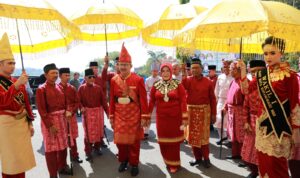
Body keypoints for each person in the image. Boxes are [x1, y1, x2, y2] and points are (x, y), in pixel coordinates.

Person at [239, 36, 300, 178]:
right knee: (264, 163)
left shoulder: (290, 76)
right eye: (265, 53)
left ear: (281, 54)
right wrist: (243, 71)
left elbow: (295, 105)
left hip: (280, 128)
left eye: (272, 53)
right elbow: (246, 90)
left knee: (277, 166)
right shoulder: (262, 75)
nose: (268, 57)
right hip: (263, 127)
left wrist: (296, 131)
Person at [109, 43, 150, 177]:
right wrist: (111, 116)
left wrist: (144, 116)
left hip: (134, 115)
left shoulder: (138, 80)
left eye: (125, 65)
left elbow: (143, 99)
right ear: (118, 66)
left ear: (130, 66)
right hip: (119, 115)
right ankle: (123, 161)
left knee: (133, 142)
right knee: (121, 142)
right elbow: (111, 99)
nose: (123, 67)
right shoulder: (114, 80)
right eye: (121, 64)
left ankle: (134, 163)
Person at [0, 33, 36, 178]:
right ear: (0, 64)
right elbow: (2, 101)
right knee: (11, 162)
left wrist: (30, 123)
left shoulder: (17, 80)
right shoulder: (16, 82)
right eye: (9, 63)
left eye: (14, 63)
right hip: (7, 125)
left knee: (21, 162)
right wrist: (16, 85)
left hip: (22, 124)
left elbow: (26, 103)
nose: (13, 66)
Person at [148, 63, 187, 173]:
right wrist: (146, 115)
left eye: (167, 71)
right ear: (160, 72)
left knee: (173, 143)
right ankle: (167, 161)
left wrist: (184, 116)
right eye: (163, 71)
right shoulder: (156, 85)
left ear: (171, 72)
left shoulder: (177, 84)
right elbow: (151, 100)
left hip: (175, 118)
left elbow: (183, 100)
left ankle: (174, 163)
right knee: (163, 142)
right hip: (161, 118)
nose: (165, 73)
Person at [36, 63, 72, 178]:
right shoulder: (41, 89)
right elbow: (42, 110)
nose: (55, 75)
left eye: (56, 73)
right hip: (50, 123)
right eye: (52, 73)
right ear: (46, 75)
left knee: (63, 146)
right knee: (51, 150)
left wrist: (68, 110)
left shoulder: (60, 87)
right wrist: (50, 126)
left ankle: (62, 167)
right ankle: (53, 175)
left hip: (62, 121)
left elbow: (67, 104)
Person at [182, 57, 217, 168]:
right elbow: (182, 87)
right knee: (192, 137)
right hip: (191, 111)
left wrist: (213, 114)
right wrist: (183, 72)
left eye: (197, 68)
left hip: (204, 112)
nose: (194, 70)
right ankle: (197, 158)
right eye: (192, 68)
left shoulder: (208, 82)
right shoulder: (188, 80)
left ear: (202, 69)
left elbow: (212, 99)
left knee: (204, 137)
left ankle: (206, 158)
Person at [240, 60, 266, 178]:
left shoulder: (270, 86)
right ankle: (254, 171)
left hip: (266, 123)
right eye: (253, 71)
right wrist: (246, 122)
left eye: (258, 71)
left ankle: (264, 172)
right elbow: (245, 106)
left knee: (264, 151)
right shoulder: (250, 86)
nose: (255, 74)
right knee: (249, 150)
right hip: (251, 121)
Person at [78, 68, 109, 160]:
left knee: (99, 132)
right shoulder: (81, 88)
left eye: (93, 77)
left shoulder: (98, 88)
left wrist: (108, 113)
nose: (92, 78)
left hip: (98, 113)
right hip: (87, 114)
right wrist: (81, 107)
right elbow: (78, 101)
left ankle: (97, 148)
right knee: (88, 134)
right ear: (85, 77)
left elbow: (103, 102)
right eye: (90, 77)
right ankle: (88, 151)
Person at [58, 68, 82, 164]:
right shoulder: (56, 88)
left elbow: (77, 102)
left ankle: (75, 155)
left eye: (69, 75)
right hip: (60, 118)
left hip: (71, 116)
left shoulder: (72, 88)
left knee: (73, 137)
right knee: (61, 139)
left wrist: (71, 112)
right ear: (60, 76)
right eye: (65, 75)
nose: (67, 77)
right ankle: (62, 162)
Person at [224, 61, 245, 161]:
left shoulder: (244, 82)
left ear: (239, 70)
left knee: (240, 135)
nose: (231, 71)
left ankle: (243, 156)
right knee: (233, 133)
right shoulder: (233, 81)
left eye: (233, 69)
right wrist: (225, 107)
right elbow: (228, 96)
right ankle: (235, 153)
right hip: (231, 111)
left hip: (240, 111)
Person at [214, 60, 233, 145]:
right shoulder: (220, 77)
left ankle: (230, 139)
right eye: (224, 67)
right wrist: (216, 99)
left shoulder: (233, 77)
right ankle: (222, 137)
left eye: (228, 67)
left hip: (230, 101)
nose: (226, 68)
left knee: (228, 121)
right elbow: (216, 89)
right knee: (218, 120)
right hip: (221, 100)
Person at [144, 62, 160, 139]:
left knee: (159, 118)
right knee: (148, 116)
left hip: (159, 101)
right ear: (151, 71)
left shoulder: (161, 80)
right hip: (150, 100)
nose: (155, 72)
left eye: (156, 70)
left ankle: (160, 132)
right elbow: (145, 91)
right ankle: (146, 132)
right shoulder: (147, 80)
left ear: (158, 71)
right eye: (153, 70)